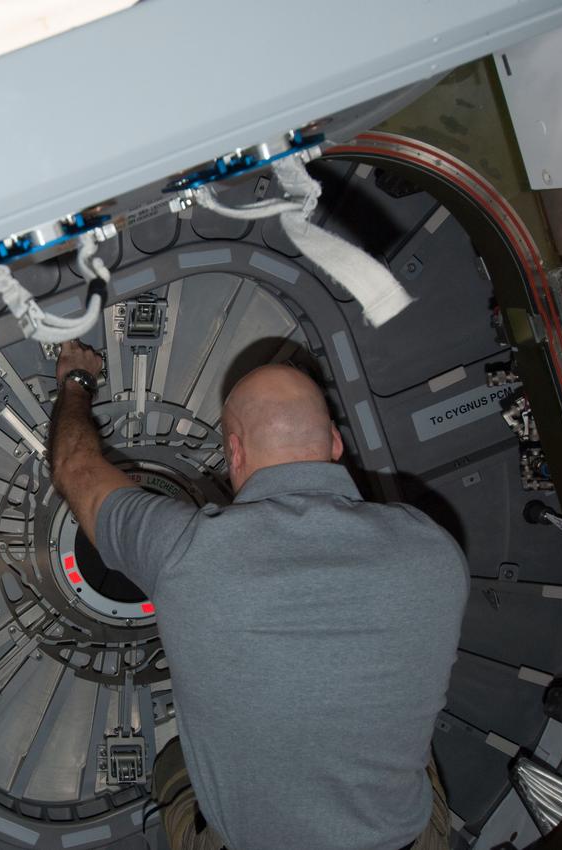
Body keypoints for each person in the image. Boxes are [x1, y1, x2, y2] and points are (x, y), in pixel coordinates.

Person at [48, 340, 468, 850]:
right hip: (405, 839)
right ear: (335, 443)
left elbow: (75, 467)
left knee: (172, 765)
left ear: (235, 452)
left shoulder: (183, 550)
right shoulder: (433, 550)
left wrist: (77, 380)